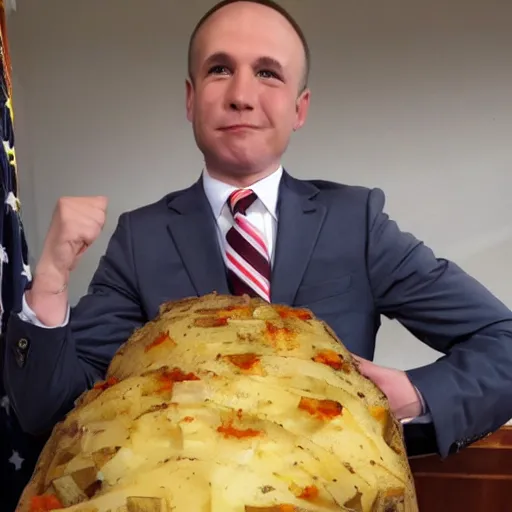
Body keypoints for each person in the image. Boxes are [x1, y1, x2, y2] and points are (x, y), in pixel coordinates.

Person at [3, 0, 512, 460]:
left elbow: (503, 341)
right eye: (220, 69)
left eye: (268, 73)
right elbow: (56, 413)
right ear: (190, 98)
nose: (242, 95)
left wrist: (415, 395)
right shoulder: (141, 239)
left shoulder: (355, 223)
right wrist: (49, 281)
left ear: (300, 108)